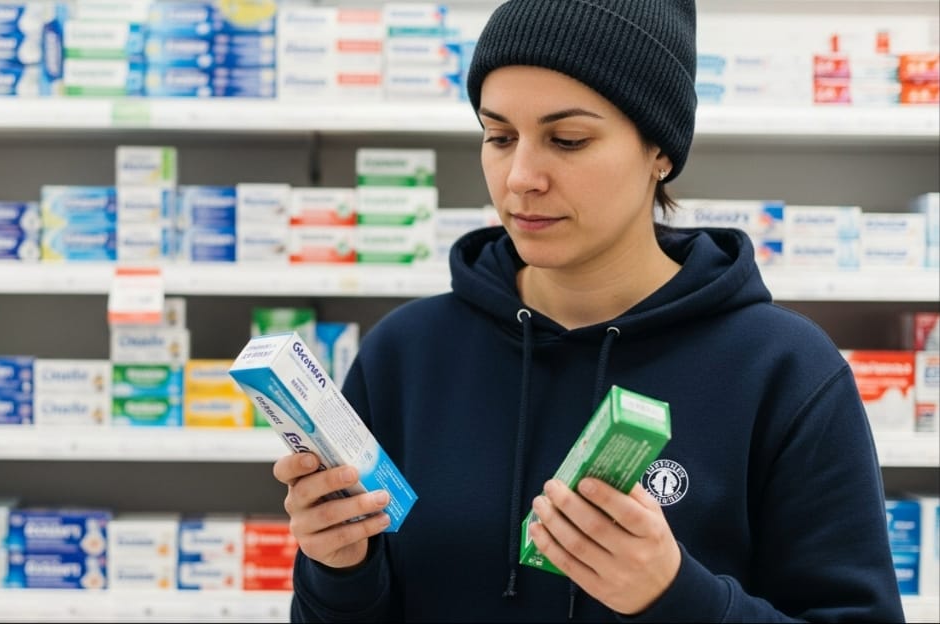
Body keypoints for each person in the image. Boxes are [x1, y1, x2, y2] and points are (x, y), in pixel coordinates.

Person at [272, 0, 905, 621]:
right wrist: (340, 570)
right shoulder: (405, 356)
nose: (521, 176)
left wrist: (679, 598)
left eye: (567, 140)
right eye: (499, 136)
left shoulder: (784, 371)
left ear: (659, 151)